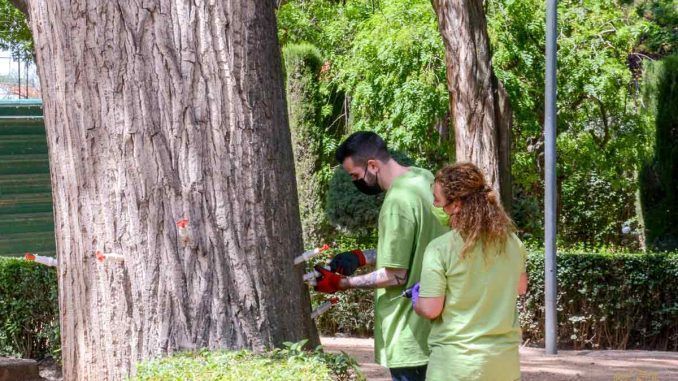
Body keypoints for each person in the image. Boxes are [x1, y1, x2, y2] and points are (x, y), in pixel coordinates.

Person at [314, 131, 448, 381]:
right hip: (437, 330)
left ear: (373, 166)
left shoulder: (396, 203)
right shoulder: (424, 179)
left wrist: (342, 284)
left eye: (356, 175)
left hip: (409, 333)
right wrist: (361, 257)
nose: (356, 182)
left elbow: (395, 276)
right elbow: (416, 245)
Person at [412, 162, 528, 381]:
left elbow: (431, 309)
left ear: (456, 204)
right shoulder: (513, 242)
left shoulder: (440, 248)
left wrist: (417, 298)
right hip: (503, 365)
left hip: (454, 367)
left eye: (438, 200)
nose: (435, 205)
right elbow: (520, 288)